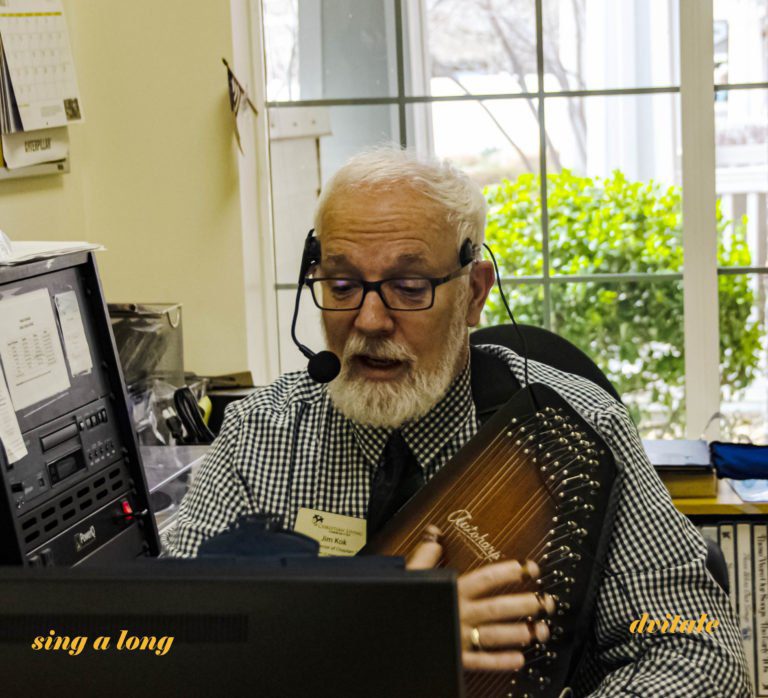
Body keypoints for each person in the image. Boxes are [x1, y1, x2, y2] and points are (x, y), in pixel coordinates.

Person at [165, 147, 750, 695]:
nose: (368, 320)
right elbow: (165, 644)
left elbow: (698, 647)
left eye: (409, 287)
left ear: (473, 293)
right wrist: (373, 639)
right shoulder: (262, 434)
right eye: (342, 285)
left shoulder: (578, 430)